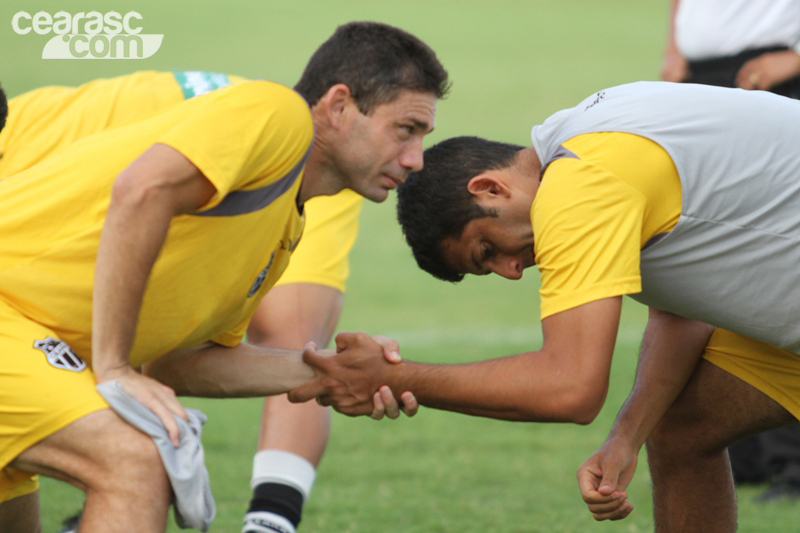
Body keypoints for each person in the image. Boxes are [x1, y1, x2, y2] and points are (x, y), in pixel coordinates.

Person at [289, 81, 800, 532]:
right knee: (684, 427)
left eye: (487, 251)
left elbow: (570, 388)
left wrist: (395, 378)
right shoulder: (576, 137)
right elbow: (682, 308)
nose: (513, 271)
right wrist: (626, 437)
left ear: (490, 188)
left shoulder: (578, 185)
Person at [0, 21, 447, 533]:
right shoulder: (278, 114)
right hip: (13, 325)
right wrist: (114, 366)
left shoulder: (285, 223)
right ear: (339, 106)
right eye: (406, 130)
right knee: (135, 461)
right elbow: (140, 191)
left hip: (27, 352)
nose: (415, 160)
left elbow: (180, 363)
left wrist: (331, 372)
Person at [661, 0, 800, 498]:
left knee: (776, 266)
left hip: (775, 71)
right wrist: (676, 46)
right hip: (702, 77)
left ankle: (793, 465)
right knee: (709, 260)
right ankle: (741, 454)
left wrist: (796, 58)